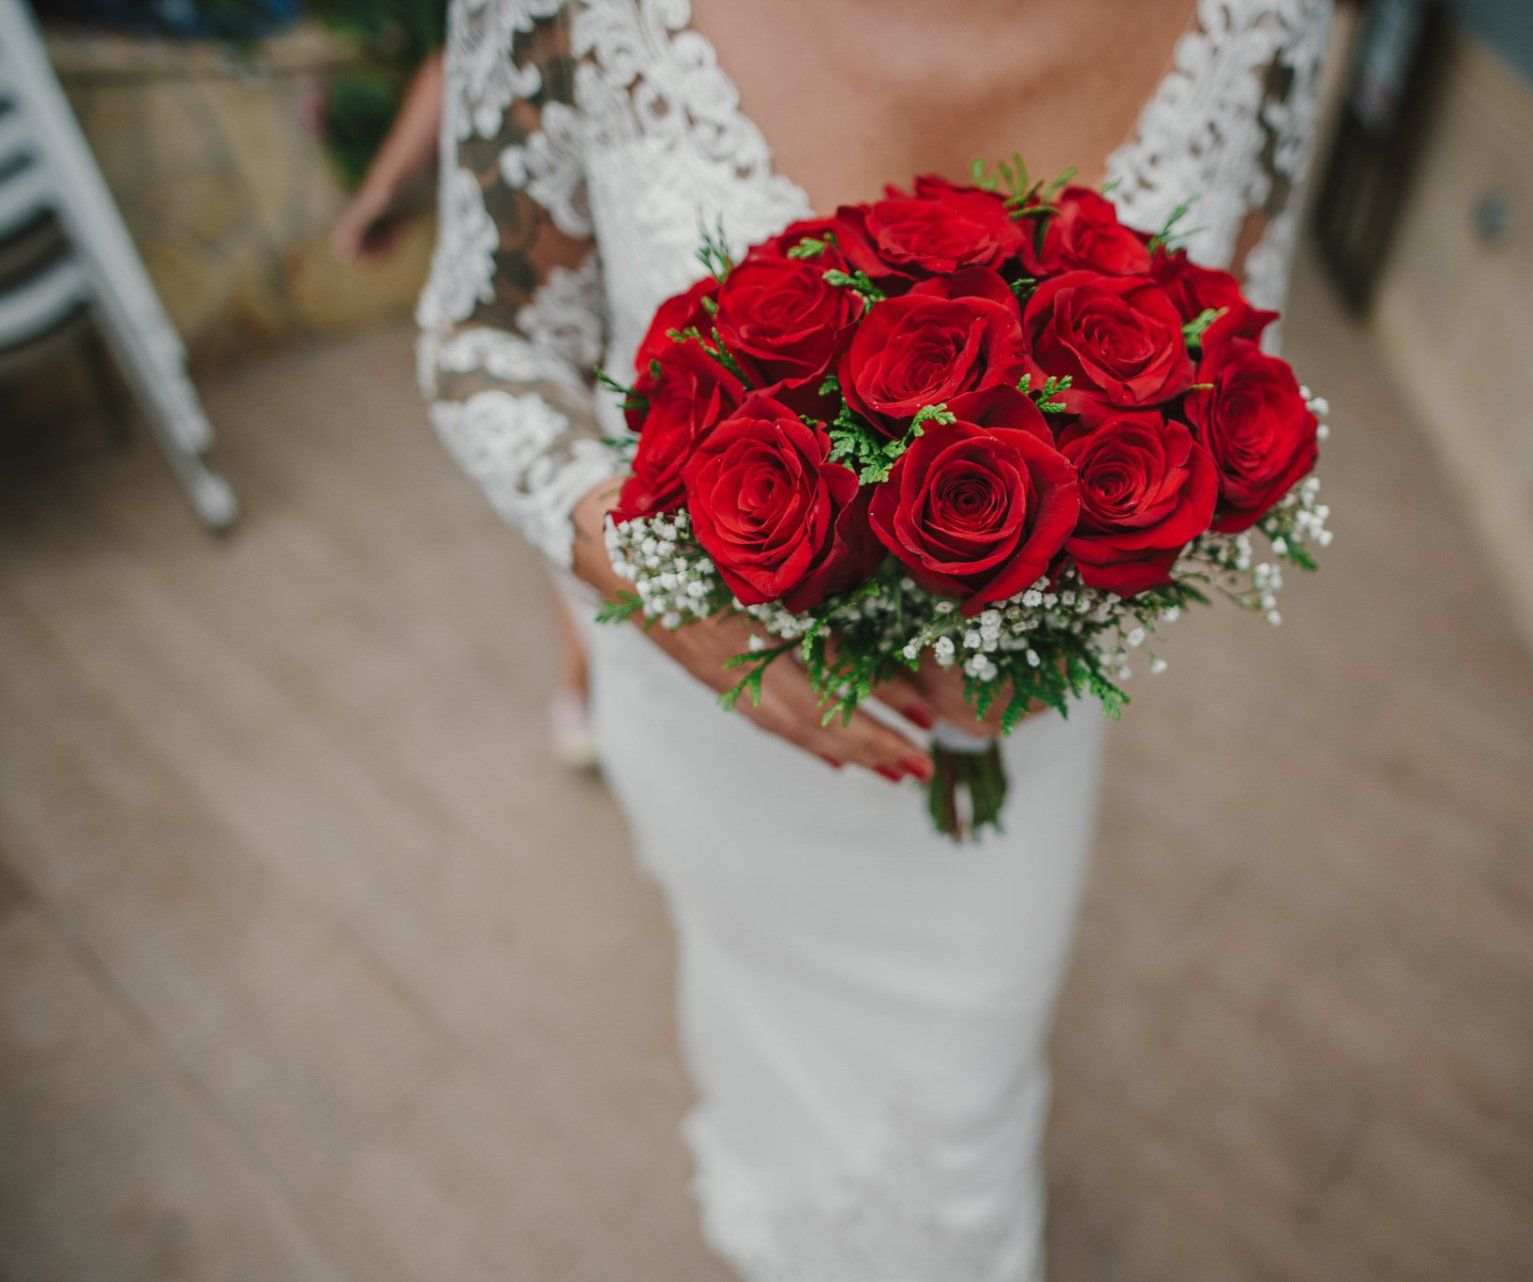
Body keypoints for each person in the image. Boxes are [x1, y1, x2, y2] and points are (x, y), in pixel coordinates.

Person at [417, 1, 1330, 1275]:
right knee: (752, 1011)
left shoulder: (1267, 18)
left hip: (1010, 724)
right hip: (710, 706)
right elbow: (486, 334)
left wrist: (1059, 579)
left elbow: (1236, 352)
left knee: (961, 1092)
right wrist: (665, 585)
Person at [332, 50, 601, 770]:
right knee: (583, 459)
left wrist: (380, 193)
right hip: (571, 232)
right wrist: (385, 191)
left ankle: (589, 677)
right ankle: (582, 673)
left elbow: (452, 65)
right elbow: (468, 58)